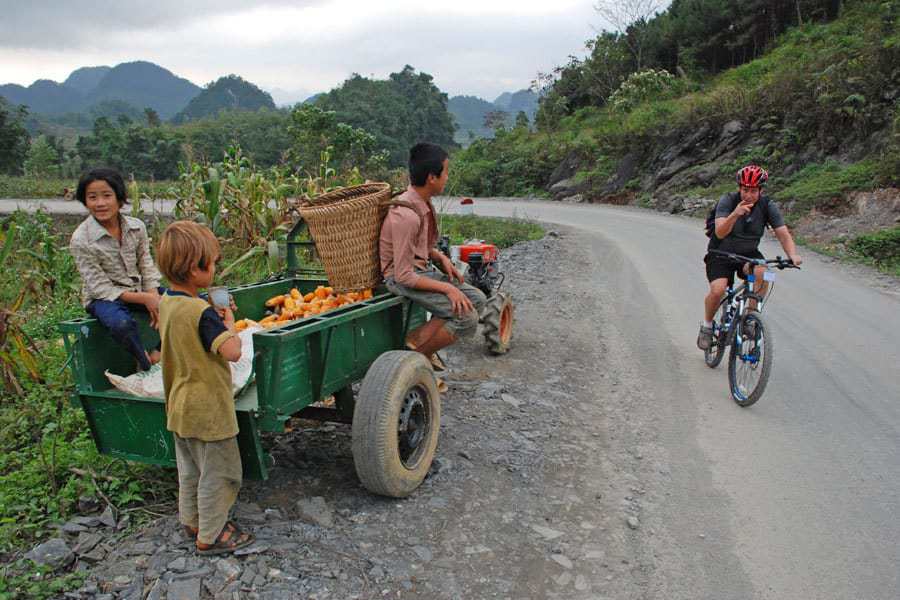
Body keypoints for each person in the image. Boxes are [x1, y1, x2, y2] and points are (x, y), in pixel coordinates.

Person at [156, 220, 253, 555]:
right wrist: (228, 323)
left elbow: (187, 334)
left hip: (179, 405)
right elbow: (232, 351)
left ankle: (192, 520)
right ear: (194, 269)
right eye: (212, 263)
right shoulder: (202, 313)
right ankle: (211, 536)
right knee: (221, 473)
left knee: (191, 470)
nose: (214, 269)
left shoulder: (166, 303)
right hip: (208, 409)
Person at [380, 143, 487, 388]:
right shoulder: (405, 214)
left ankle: (419, 340)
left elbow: (419, 246)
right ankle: (413, 362)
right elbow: (403, 275)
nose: (447, 178)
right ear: (431, 177)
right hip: (400, 277)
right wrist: (448, 289)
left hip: (419, 269)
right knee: (467, 318)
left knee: (478, 299)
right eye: (446, 172)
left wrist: (439, 257)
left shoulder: (422, 202)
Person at [697, 165, 803, 350]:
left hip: (747, 255)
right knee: (718, 289)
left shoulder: (767, 205)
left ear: (760, 190)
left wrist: (792, 255)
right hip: (720, 252)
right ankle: (707, 326)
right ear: (739, 188)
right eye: (745, 190)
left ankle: (749, 318)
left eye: (753, 191)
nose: (748, 195)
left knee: (765, 273)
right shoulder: (728, 201)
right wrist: (735, 214)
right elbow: (720, 232)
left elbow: (783, 234)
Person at [69, 168, 163, 371]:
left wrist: (154, 295)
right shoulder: (81, 239)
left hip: (139, 289)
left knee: (184, 303)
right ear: (85, 201)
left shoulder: (136, 227)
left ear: (119, 198)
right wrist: (146, 300)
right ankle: (144, 362)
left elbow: (146, 265)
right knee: (121, 324)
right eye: (92, 197)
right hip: (102, 299)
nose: (100, 203)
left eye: (107, 196)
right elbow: (101, 288)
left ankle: (160, 352)